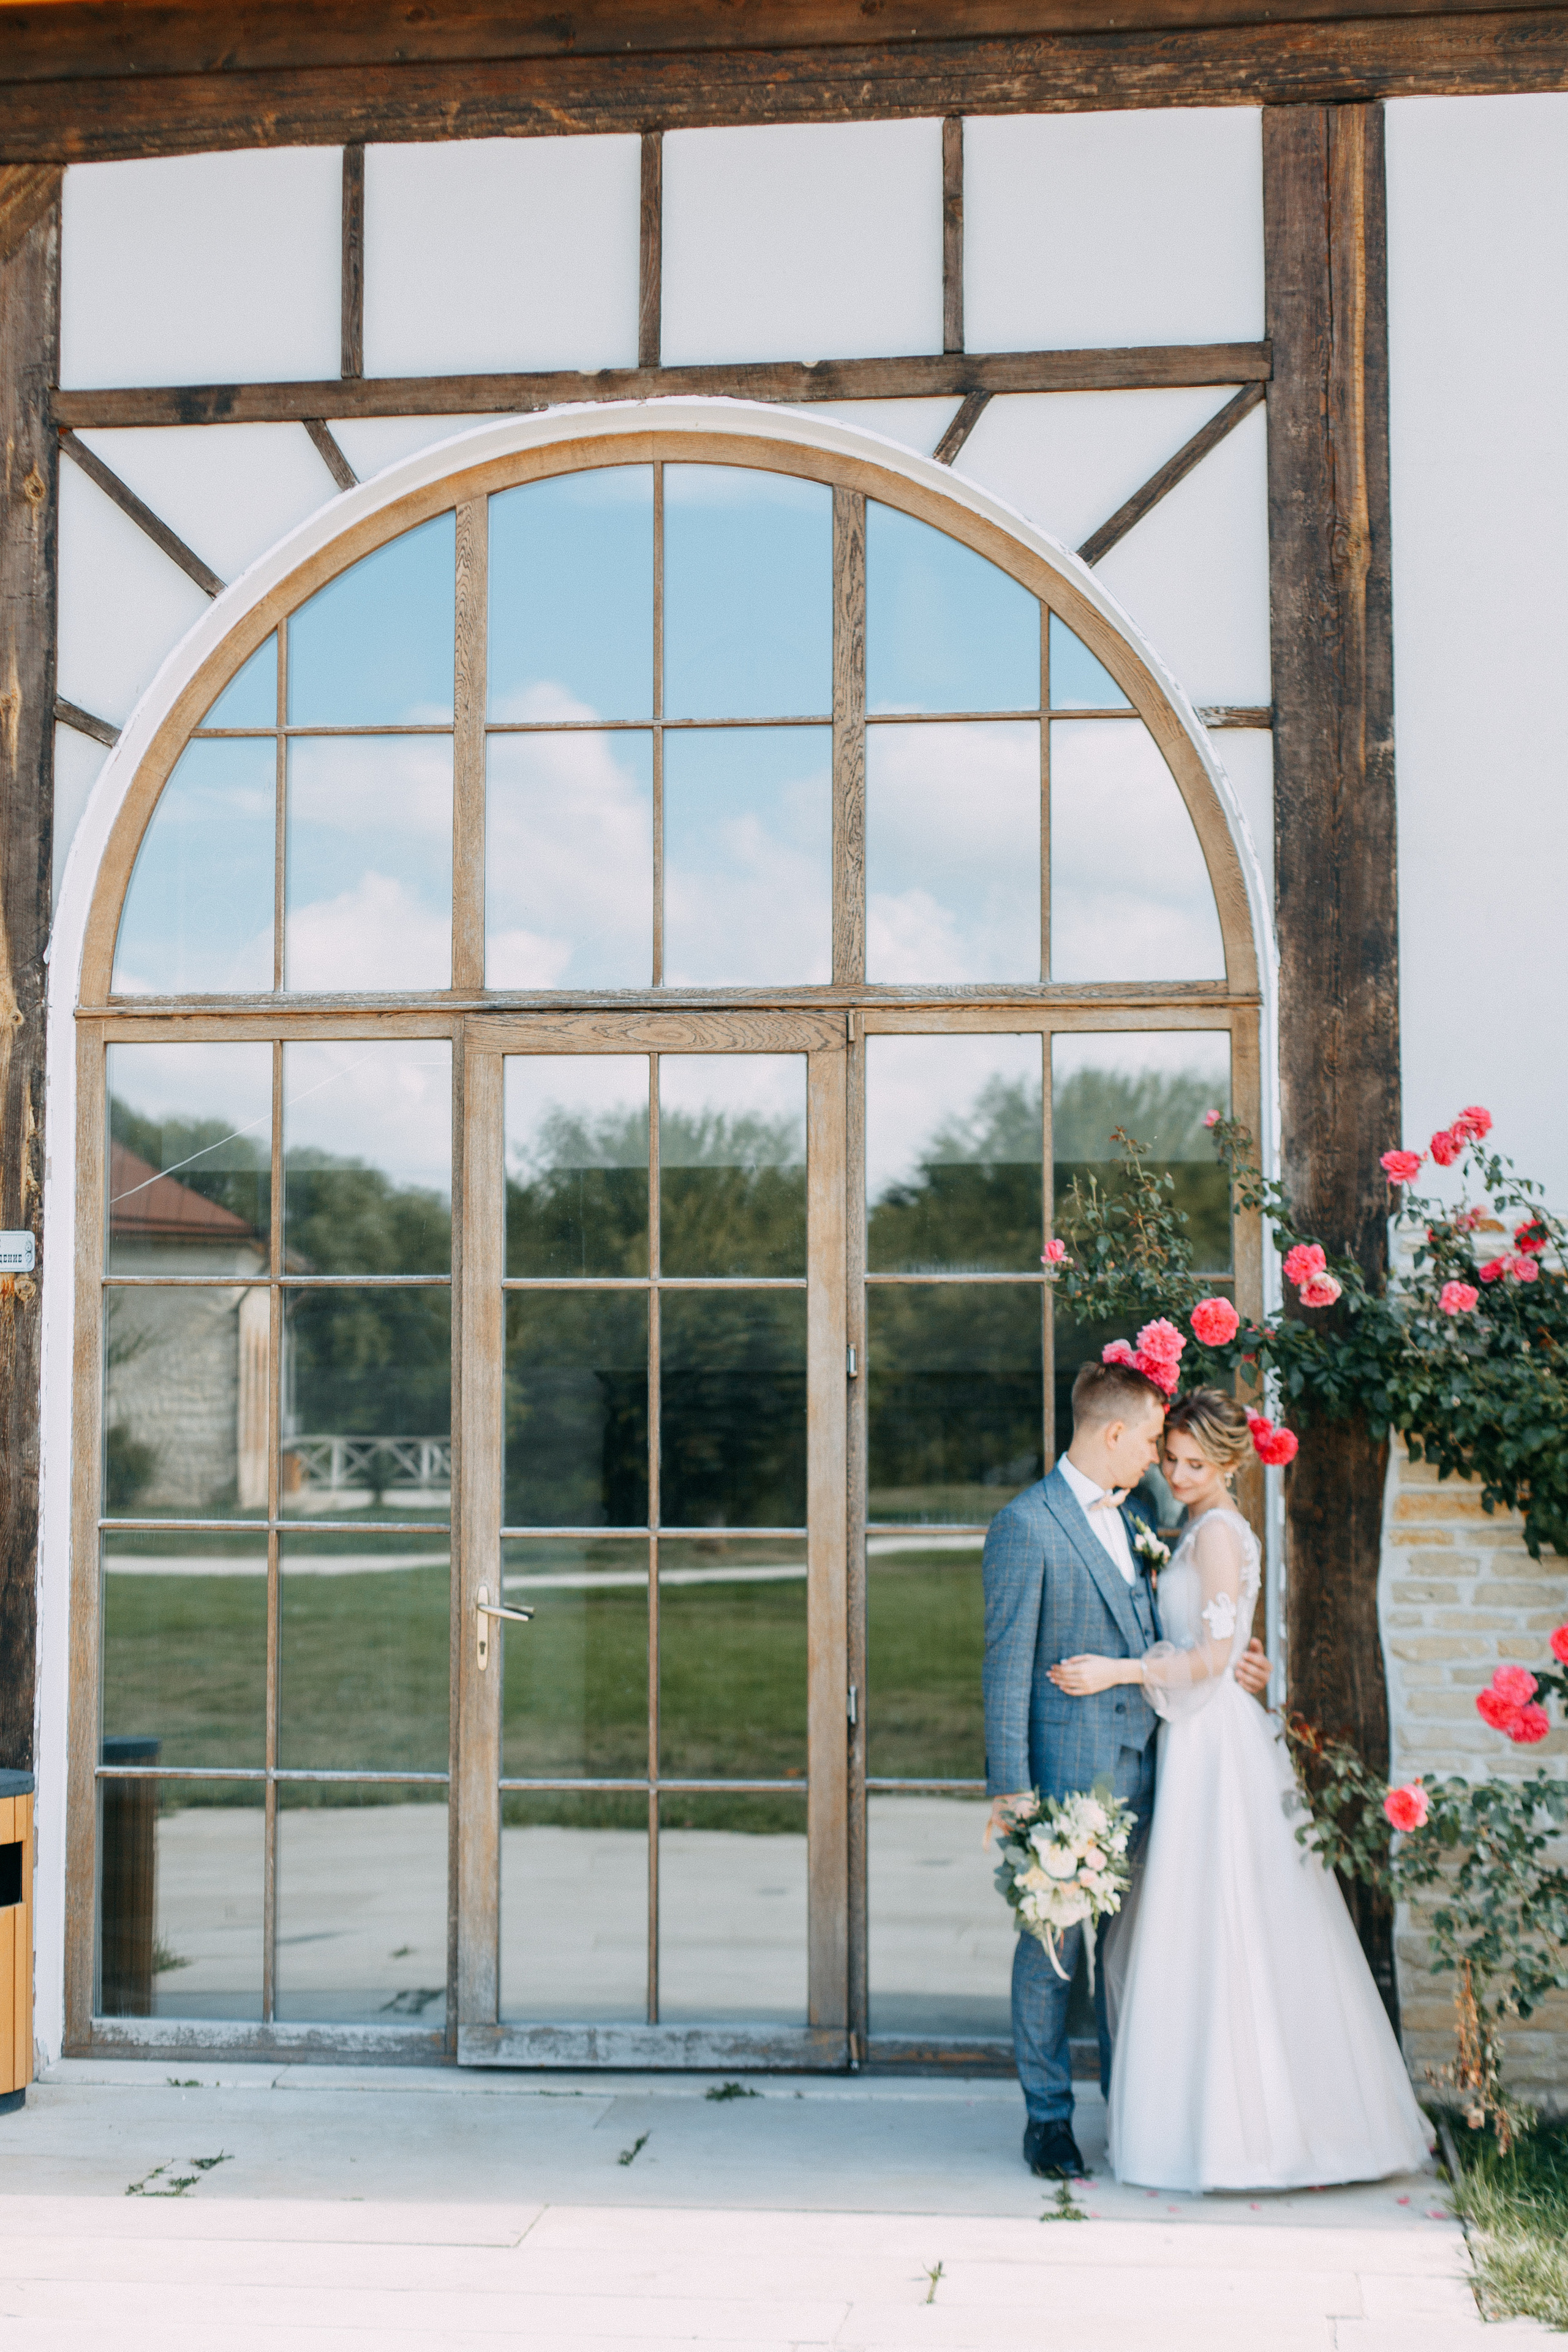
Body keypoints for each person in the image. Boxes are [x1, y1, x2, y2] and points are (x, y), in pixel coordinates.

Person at [1051, 1386, 1431, 2192]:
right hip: (1194, 1734)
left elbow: (1215, 1659)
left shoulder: (1220, 1532)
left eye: (1196, 1464)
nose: (1179, 1475)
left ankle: (1245, 2132)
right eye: (1171, 1459)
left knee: (1223, 1920)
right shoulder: (1192, 1528)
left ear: (1229, 1465)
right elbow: (1214, 1642)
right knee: (1191, 1923)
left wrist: (1118, 1670)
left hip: (1213, 1743)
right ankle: (1196, 2120)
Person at [982, 1358, 1272, 2180]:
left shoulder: (1141, 1514)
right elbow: (1004, 1668)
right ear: (1115, 1433)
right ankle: (1048, 2120)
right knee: (1052, 1947)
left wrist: (1232, 1664)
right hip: (1067, 1776)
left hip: (1159, 1768)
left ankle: (1130, 2108)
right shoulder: (1026, 1525)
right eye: (1151, 1441)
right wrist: (1012, 1790)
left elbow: (1180, 1628)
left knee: (1132, 1949)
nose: (1158, 1458)